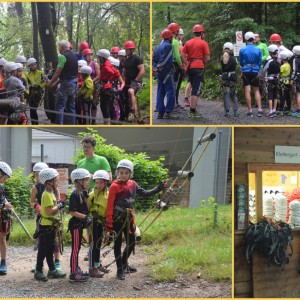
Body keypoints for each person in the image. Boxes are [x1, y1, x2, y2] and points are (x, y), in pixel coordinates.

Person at [105, 159, 165, 280]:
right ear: (117, 172)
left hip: (129, 219)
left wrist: (158, 188)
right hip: (117, 219)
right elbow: (110, 205)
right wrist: (109, 225)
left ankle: (123, 262)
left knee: (131, 242)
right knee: (117, 244)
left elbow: (145, 193)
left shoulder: (133, 184)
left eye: (126, 173)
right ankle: (119, 269)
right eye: (121, 172)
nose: (123, 175)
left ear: (130, 174)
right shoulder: (114, 186)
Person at [30, 162, 63, 273]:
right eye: (36, 174)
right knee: (44, 242)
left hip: (53, 217)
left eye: (40, 174)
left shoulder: (53, 189)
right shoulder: (37, 188)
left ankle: (56, 262)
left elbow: (57, 200)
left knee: (54, 241)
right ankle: (40, 266)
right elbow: (32, 202)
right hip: (43, 217)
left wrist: (58, 205)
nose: (38, 176)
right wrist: (39, 207)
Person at [34, 168, 66, 281]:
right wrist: (59, 206)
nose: (58, 182)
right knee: (43, 249)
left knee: (50, 248)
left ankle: (52, 269)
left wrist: (58, 203)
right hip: (46, 226)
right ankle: (38, 270)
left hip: (51, 226)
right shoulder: (46, 195)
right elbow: (48, 211)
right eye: (56, 180)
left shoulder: (50, 193)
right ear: (49, 182)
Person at [181, 24, 210, 118]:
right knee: (196, 90)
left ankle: (191, 108)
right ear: (201, 33)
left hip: (190, 67)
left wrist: (186, 63)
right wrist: (203, 64)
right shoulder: (203, 43)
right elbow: (208, 58)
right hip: (199, 67)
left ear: (194, 33)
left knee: (192, 85)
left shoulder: (188, 43)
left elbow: (182, 55)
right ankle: (192, 111)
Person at [68, 168, 92, 282]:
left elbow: (87, 208)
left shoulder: (83, 193)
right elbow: (72, 212)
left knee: (78, 248)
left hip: (80, 225)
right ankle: (73, 273)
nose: (88, 182)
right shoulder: (74, 195)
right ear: (79, 182)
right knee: (75, 249)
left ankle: (76, 268)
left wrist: (87, 196)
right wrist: (85, 217)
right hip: (76, 226)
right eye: (86, 180)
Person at [48, 40, 78, 124]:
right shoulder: (73, 56)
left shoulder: (63, 57)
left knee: (60, 107)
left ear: (61, 48)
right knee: (71, 107)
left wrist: (50, 83)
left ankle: (59, 126)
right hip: (74, 85)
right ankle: (72, 126)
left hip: (66, 85)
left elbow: (58, 72)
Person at [87, 170, 110, 277]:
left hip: (102, 222)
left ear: (105, 182)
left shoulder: (108, 194)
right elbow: (87, 208)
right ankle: (92, 268)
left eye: (101, 182)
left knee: (98, 244)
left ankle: (97, 264)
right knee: (93, 244)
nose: (98, 185)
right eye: (96, 182)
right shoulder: (91, 195)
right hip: (94, 222)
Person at [152, 29, 175, 119]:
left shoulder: (157, 47)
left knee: (160, 92)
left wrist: (156, 68)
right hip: (166, 71)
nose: (172, 38)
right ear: (169, 37)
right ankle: (168, 112)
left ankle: (160, 112)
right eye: (171, 37)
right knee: (170, 91)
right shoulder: (168, 46)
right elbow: (165, 59)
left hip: (159, 73)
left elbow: (153, 59)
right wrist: (159, 66)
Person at [239, 31, 263, 117]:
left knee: (247, 90)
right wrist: (257, 68)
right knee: (256, 90)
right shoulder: (258, 49)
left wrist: (244, 66)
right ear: (253, 39)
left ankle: (250, 111)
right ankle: (260, 110)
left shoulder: (242, 50)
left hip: (246, 70)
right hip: (255, 71)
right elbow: (260, 61)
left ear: (246, 39)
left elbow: (241, 62)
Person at [97, 49, 123, 125]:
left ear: (102, 58)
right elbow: (116, 73)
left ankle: (107, 125)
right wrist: (111, 78)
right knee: (108, 107)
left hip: (105, 88)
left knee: (104, 108)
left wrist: (107, 78)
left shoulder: (105, 66)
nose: (98, 59)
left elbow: (111, 72)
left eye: (99, 57)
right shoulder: (108, 63)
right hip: (108, 87)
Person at [122, 40, 145, 121]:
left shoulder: (137, 59)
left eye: (127, 49)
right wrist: (121, 81)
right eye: (125, 50)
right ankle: (133, 116)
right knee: (126, 96)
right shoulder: (126, 61)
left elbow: (142, 71)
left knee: (131, 91)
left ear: (132, 50)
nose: (126, 51)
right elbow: (124, 72)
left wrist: (135, 81)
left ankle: (131, 112)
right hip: (127, 81)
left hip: (136, 81)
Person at [0, 162, 13, 275]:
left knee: (2, 239)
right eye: (4, 177)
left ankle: (3, 262)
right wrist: (5, 205)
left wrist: (6, 204)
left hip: (1, 217)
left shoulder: (1, 186)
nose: (5, 180)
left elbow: (2, 199)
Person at [25, 58, 47, 125]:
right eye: (32, 65)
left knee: (33, 109)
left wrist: (39, 85)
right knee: (32, 110)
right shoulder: (28, 75)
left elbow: (45, 82)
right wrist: (31, 85)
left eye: (34, 64)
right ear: (29, 66)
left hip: (38, 93)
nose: (34, 66)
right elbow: (27, 84)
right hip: (31, 93)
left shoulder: (41, 73)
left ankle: (35, 123)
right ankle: (34, 123)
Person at [220, 42, 239, 117]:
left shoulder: (222, 58)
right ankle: (236, 111)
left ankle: (227, 112)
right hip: (232, 77)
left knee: (226, 94)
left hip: (225, 77)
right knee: (234, 94)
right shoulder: (234, 58)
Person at [168, 23, 183, 111]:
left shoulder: (166, 41)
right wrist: (180, 66)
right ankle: (174, 105)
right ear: (175, 31)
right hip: (175, 65)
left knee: (170, 86)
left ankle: (172, 104)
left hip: (168, 66)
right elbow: (177, 56)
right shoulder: (175, 42)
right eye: (178, 31)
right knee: (175, 86)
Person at [262, 44, 281, 118]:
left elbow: (264, 69)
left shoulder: (269, 61)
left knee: (270, 96)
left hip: (270, 80)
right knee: (275, 95)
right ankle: (274, 110)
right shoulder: (278, 61)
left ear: (270, 52)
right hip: (276, 79)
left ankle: (270, 111)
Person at [83, 48, 100, 124]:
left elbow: (99, 75)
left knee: (94, 104)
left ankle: (93, 120)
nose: (90, 57)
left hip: (94, 87)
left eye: (90, 55)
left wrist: (91, 82)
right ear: (85, 56)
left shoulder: (95, 64)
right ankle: (86, 120)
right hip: (85, 87)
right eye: (88, 55)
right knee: (86, 103)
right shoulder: (83, 64)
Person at [278, 50, 292, 115]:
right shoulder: (288, 65)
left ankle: (281, 109)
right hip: (287, 82)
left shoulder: (283, 66)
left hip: (282, 82)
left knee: (282, 96)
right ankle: (288, 108)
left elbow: (280, 74)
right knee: (287, 96)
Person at [290, 45, 300, 117]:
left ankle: (299, 110)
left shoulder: (295, 60)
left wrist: (292, 79)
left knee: (298, 94)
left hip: (298, 77)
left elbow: (294, 70)